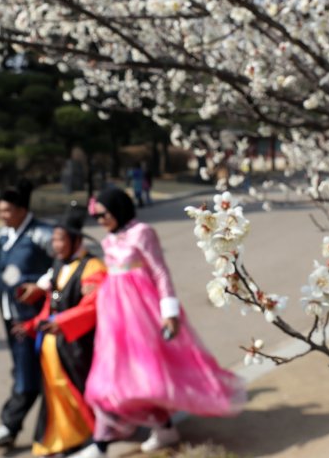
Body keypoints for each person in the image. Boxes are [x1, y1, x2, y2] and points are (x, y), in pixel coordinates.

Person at [71, 187, 245, 458]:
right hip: (113, 315)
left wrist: (169, 312)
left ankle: (108, 442)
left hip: (142, 313)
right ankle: (153, 430)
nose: (100, 220)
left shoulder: (142, 232)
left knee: (146, 376)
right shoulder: (108, 240)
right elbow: (114, 273)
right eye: (96, 216)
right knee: (112, 375)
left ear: (117, 209)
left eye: (103, 214)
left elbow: (160, 271)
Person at [11, 203, 108, 457]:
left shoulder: (93, 268)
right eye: (53, 239)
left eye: (60, 239)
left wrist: (63, 323)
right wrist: (32, 325)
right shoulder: (57, 266)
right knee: (56, 396)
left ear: (75, 240)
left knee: (78, 393)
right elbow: (49, 306)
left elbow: (92, 306)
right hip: (51, 345)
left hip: (76, 345)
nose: (55, 245)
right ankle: (61, 439)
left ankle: (95, 438)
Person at [0, 179, 54, 448]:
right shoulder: (2, 237)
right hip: (11, 312)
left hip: (37, 317)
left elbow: (64, 263)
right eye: (0, 210)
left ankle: (10, 425)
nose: (2, 215)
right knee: (23, 368)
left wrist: (41, 285)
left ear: (22, 209)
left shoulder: (43, 234)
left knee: (29, 372)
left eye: (7, 210)